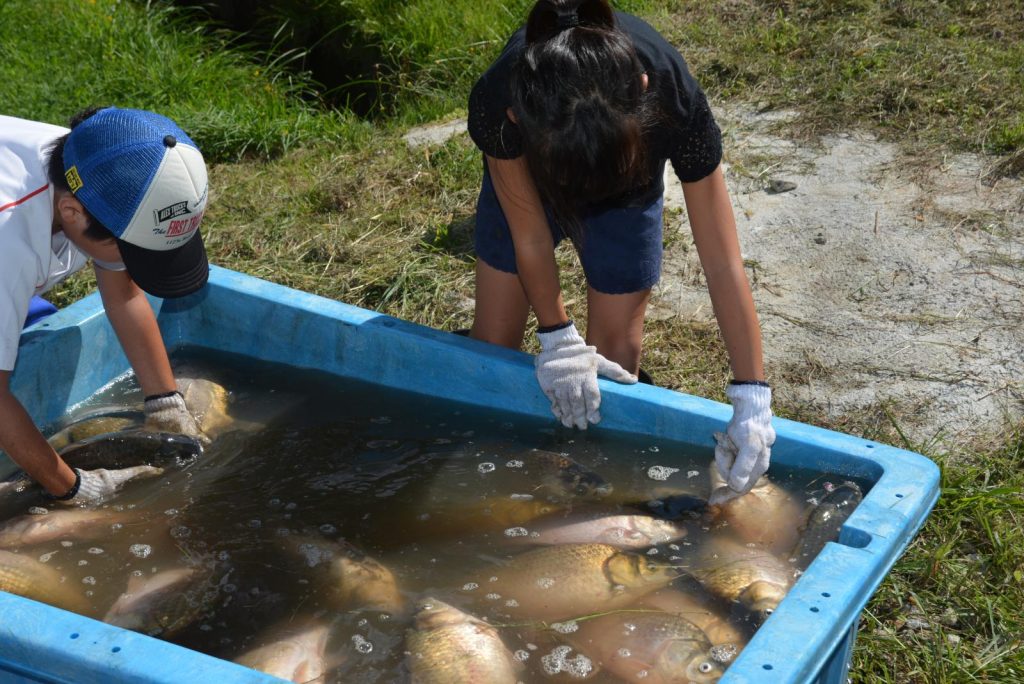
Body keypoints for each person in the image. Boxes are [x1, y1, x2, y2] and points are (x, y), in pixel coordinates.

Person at [465, 0, 774, 498]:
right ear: (514, 118)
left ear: (644, 96)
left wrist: (752, 398)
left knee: (614, 366)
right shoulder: (502, 99)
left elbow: (722, 262)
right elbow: (531, 237)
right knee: (490, 350)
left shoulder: (675, 99)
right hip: (530, 187)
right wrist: (557, 338)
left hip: (627, 192)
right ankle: (499, 473)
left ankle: (586, 487)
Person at [0, 107, 211, 505]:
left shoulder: (103, 165)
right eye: (131, 251)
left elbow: (124, 293)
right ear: (71, 214)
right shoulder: (8, 244)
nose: (130, 264)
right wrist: (74, 487)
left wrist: (165, 404)